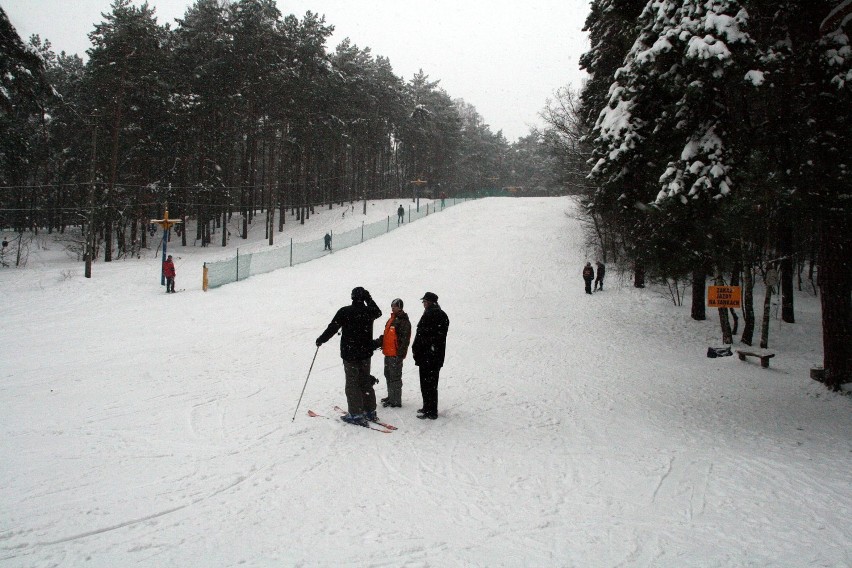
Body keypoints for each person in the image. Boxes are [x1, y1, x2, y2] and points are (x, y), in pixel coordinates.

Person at [316, 287, 382, 426]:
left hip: (350, 353)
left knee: (352, 383)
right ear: (363, 298)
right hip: (365, 353)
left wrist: (321, 339)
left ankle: (356, 414)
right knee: (365, 381)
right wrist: (368, 298)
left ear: (352, 297)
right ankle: (370, 411)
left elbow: (333, 328)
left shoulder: (345, 311)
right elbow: (378, 311)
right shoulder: (369, 311)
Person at [412, 292, 449, 420]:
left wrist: (419, 349)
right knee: (430, 384)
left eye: (425, 301)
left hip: (428, 356)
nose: (423, 304)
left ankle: (431, 410)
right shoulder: (441, 314)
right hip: (432, 356)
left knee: (428, 384)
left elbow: (425, 336)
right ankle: (428, 407)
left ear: (430, 302)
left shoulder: (432, 314)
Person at [376, 298, 412, 408]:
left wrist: (400, 354)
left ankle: (395, 400)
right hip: (388, 353)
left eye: (395, 306)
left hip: (395, 354)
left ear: (400, 307)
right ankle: (391, 396)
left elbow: (405, 339)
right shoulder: (391, 319)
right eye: (392, 306)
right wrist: (378, 342)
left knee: (395, 377)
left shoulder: (403, 321)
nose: (393, 307)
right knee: (388, 375)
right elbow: (386, 335)